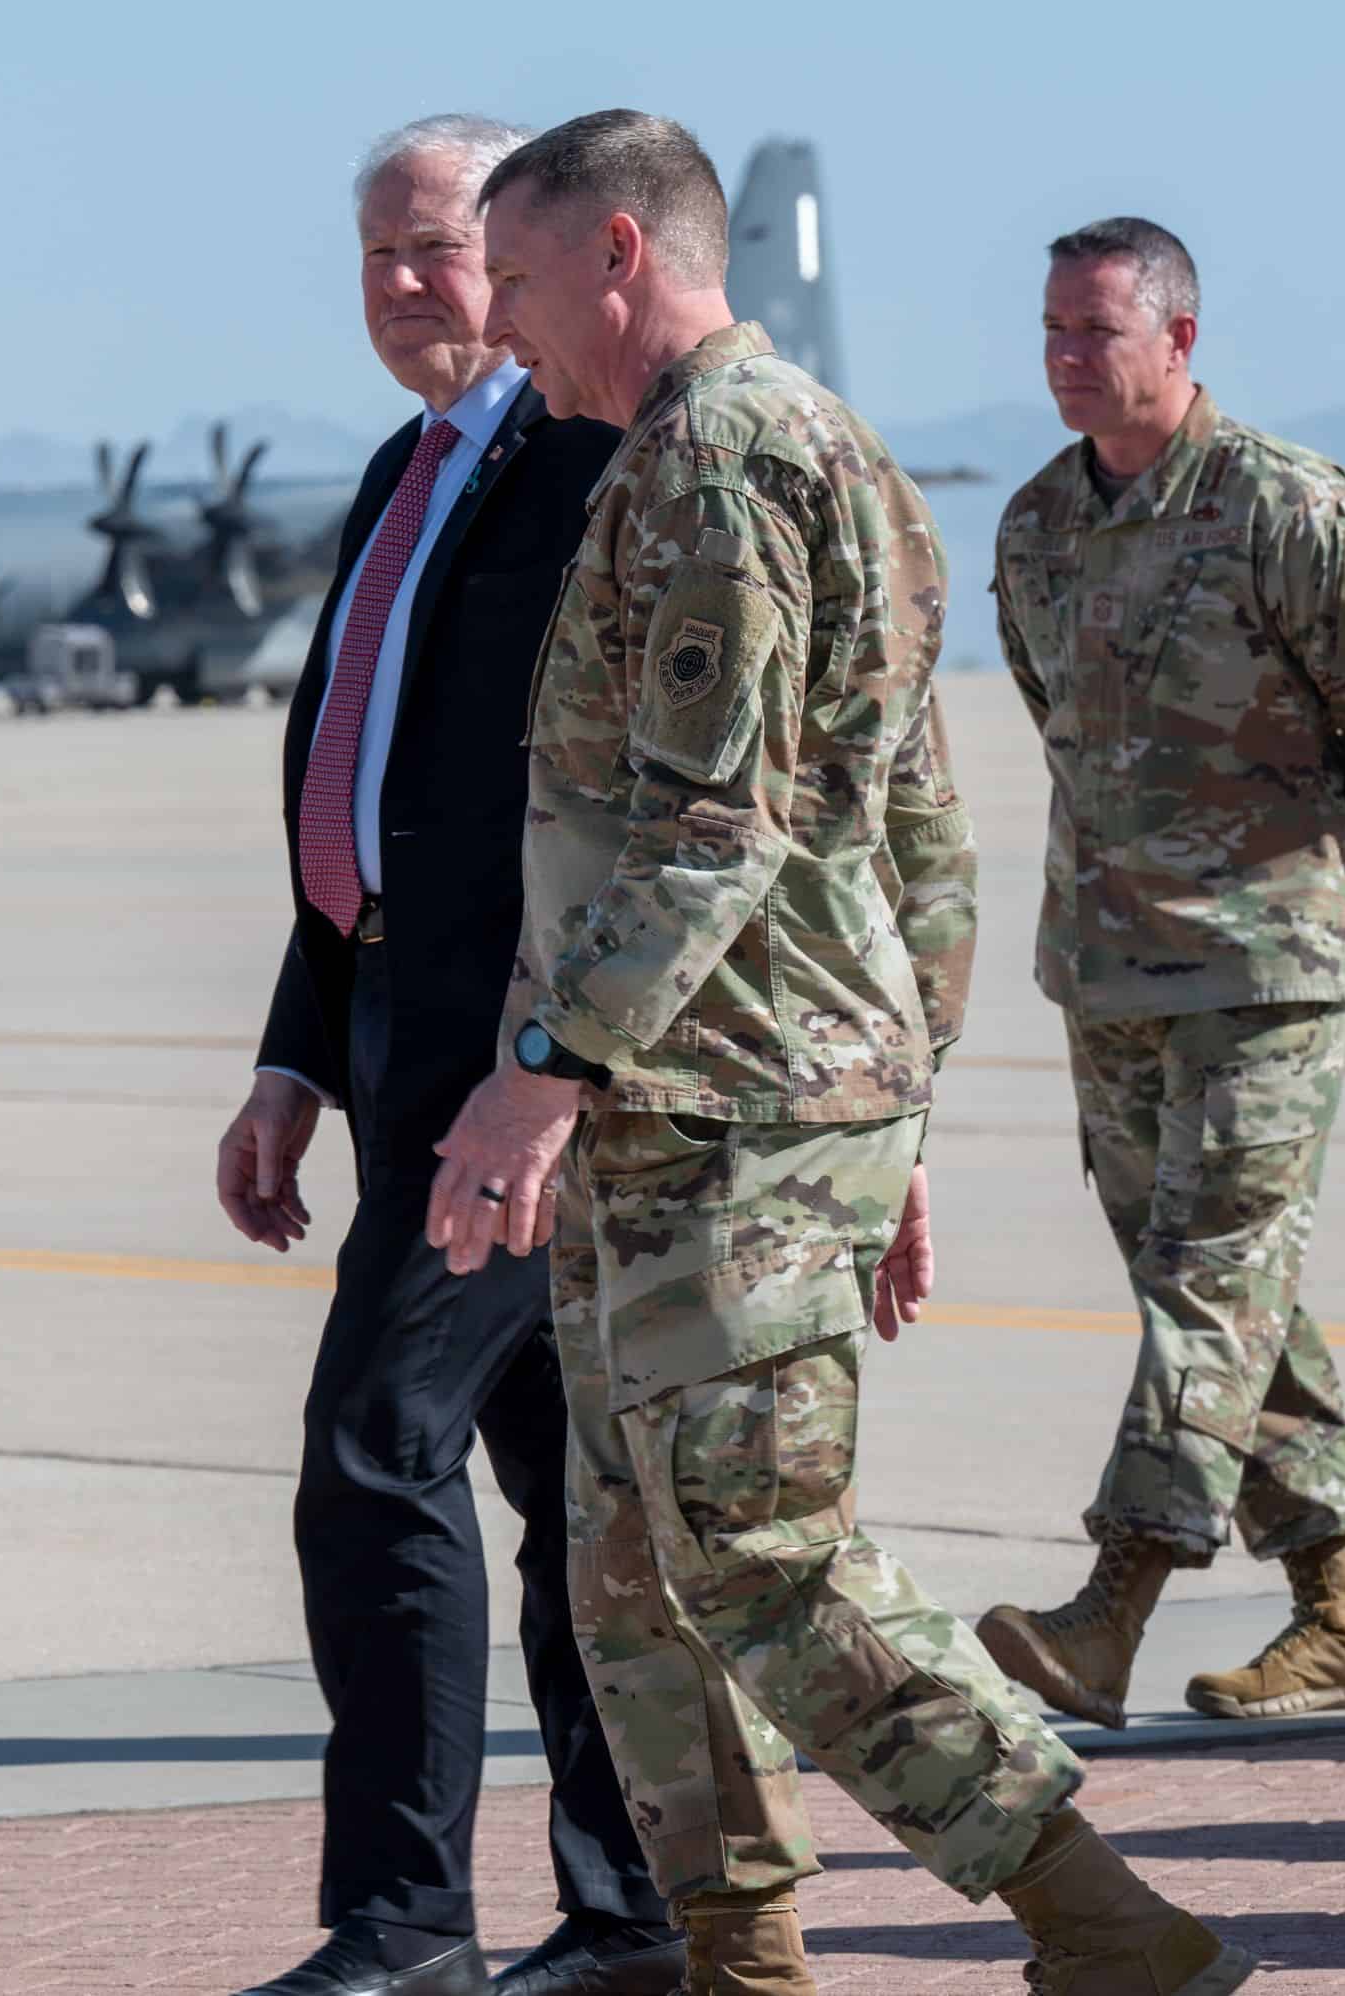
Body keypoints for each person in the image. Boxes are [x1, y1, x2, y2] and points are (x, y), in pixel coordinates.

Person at [439, 111, 1256, 1994]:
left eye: (521, 275)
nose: (499, 322)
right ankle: (742, 1954)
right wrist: (898, 1106)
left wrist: (542, 1069)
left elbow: (710, 831)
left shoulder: (720, 466)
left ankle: (1097, 1919)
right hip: (733, 1094)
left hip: (720, 1102)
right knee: (632, 1563)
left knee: (759, 1556)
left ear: (625, 255)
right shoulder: (796, 456)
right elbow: (914, 822)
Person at [211, 114, 678, 1996]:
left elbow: (623, 809)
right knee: (559, 1488)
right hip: (399, 1038)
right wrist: (292, 1059)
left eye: (445, 250)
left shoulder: (592, 468)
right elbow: (372, 793)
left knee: (372, 1453)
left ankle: (404, 1927)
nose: (413, 287)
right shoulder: (407, 476)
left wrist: (550, 1067)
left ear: (538, 252)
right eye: (381, 256)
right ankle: (635, 1909)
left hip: (521, 1071)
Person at [974, 218, 1345, 1733]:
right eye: (1051, 330)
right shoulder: (1040, 525)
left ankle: (1111, 1608)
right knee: (1229, 1298)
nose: (1066, 357)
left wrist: (1323, 891)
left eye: (1096, 332)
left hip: (1266, 960)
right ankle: (1341, 1615)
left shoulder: (1291, 512)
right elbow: (1055, 713)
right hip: (1111, 975)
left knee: (1208, 1291)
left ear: (1179, 341)